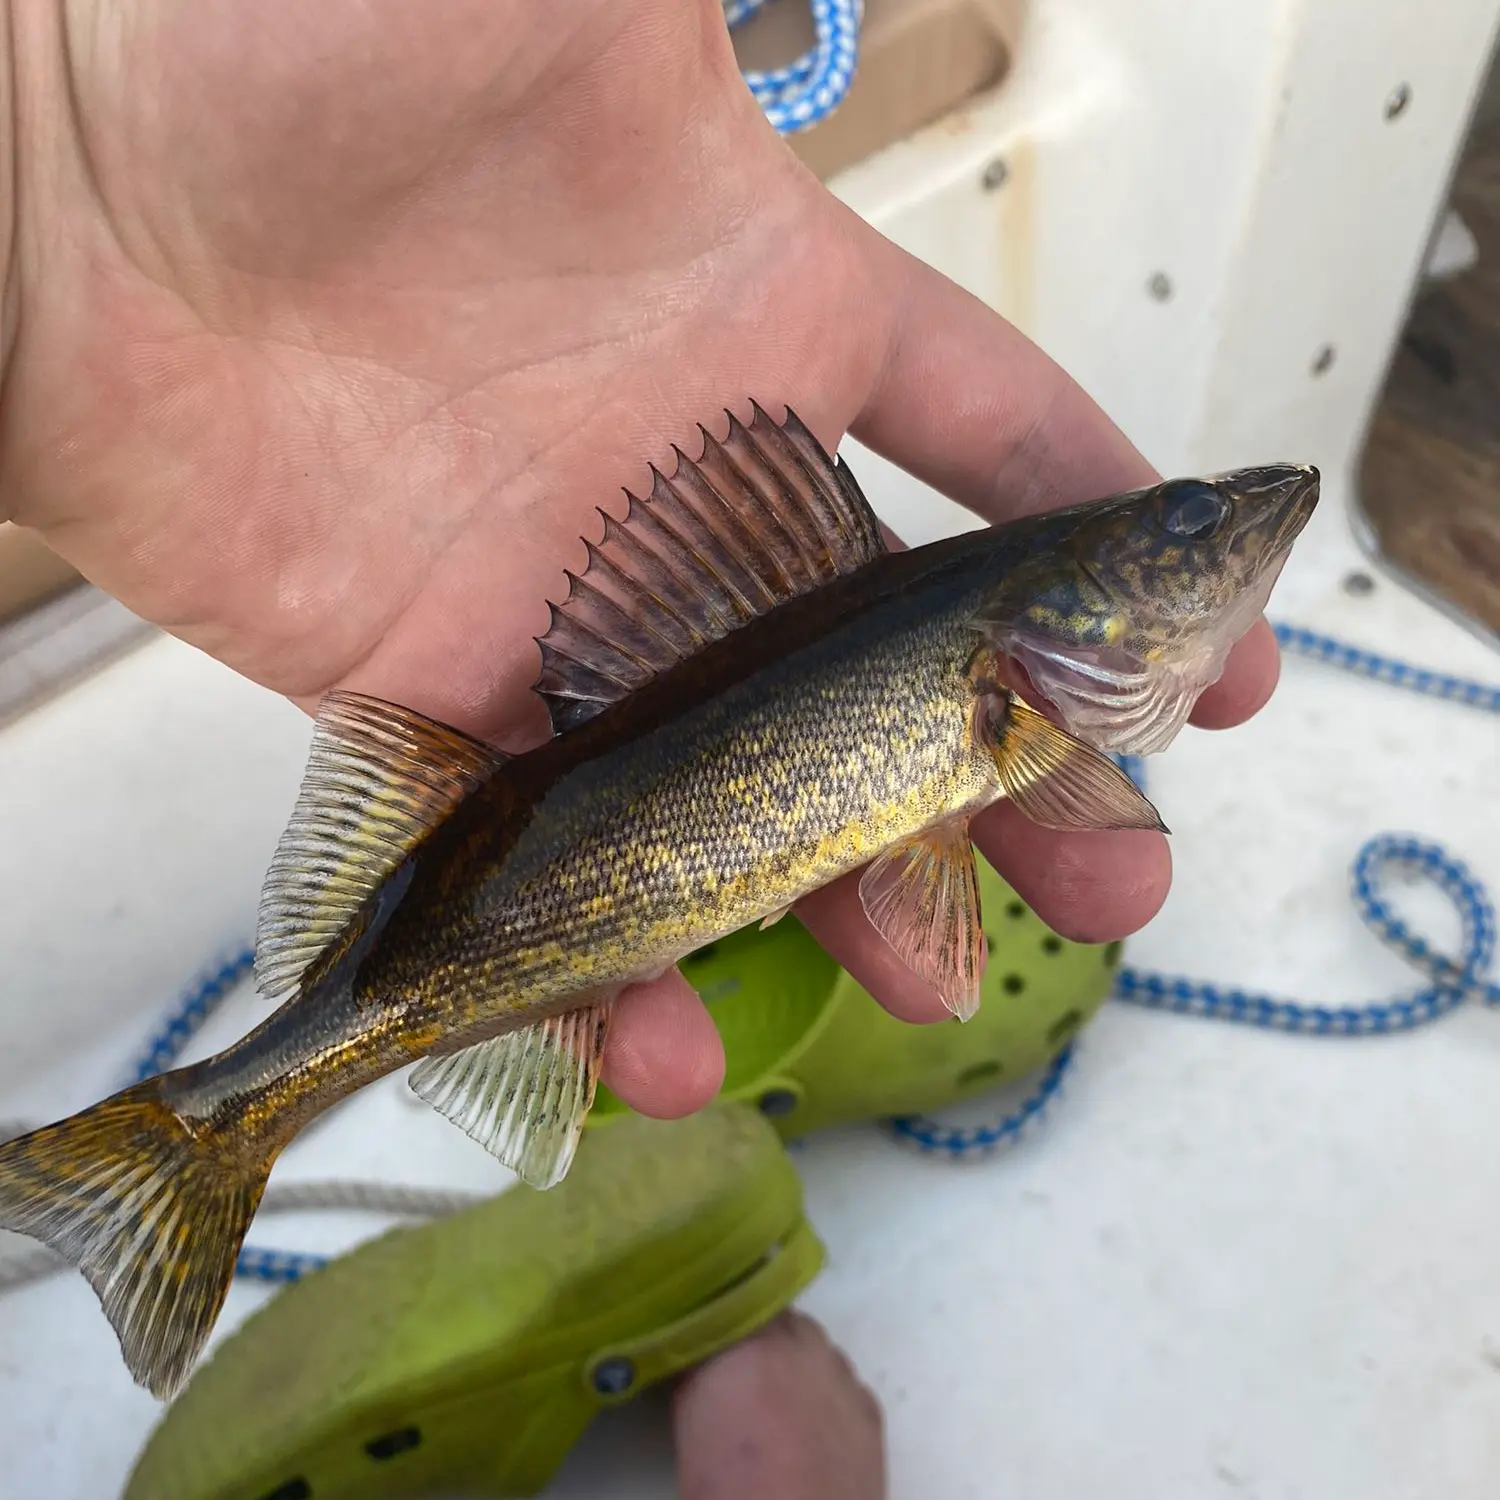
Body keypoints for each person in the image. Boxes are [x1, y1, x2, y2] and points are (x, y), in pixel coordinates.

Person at [0, 4, 1280, 1493]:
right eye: (1182, 537)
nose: (1230, 528)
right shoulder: (1004, 707)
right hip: (475, 875)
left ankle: (203, 1133)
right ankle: (203, 1135)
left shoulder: (1011, 706)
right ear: (1049, 617)